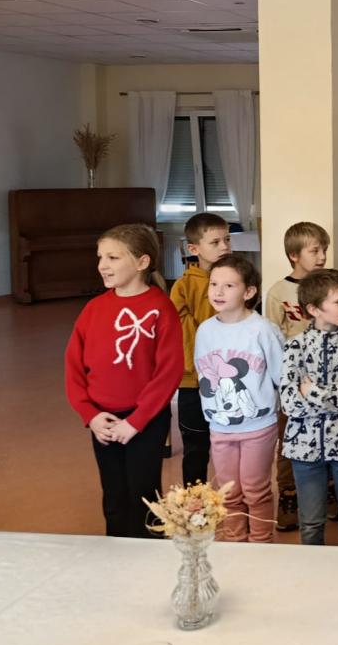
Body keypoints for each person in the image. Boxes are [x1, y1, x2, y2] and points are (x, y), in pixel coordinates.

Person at [65, 224, 183, 538]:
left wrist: (136, 421)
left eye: (113, 257)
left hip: (145, 421)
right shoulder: (94, 309)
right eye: (100, 257)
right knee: (114, 496)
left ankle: (148, 559)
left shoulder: (160, 307)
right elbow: (73, 367)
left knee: (144, 495)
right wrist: (90, 415)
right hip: (103, 420)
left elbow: (169, 372)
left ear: (142, 262)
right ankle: (116, 556)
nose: (102, 265)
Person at [194, 254, 284, 543]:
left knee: (255, 490)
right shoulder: (205, 330)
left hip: (258, 426)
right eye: (214, 284)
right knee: (228, 492)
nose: (218, 291)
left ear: (249, 292)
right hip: (220, 426)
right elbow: (204, 375)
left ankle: (261, 543)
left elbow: (281, 375)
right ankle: (235, 542)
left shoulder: (263, 329)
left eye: (229, 285)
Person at [280, 269, 338, 547]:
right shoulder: (294, 347)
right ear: (314, 309)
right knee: (310, 523)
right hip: (303, 448)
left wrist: (313, 392)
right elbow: (289, 403)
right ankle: (313, 572)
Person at [264, 221, 329, 531]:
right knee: (289, 440)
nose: (322, 256)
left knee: (327, 435)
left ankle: (329, 490)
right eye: (314, 251)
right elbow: (272, 339)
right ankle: (288, 495)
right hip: (292, 384)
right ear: (294, 255)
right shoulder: (278, 292)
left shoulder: (330, 286)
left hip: (326, 381)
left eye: (324, 250)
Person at [169, 212, 231, 486]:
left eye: (227, 240)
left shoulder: (238, 280)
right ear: (194, 249)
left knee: (230, 447)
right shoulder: (183, 287)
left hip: (231, 380)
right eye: (215, 242)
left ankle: (233, 504)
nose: (224, 247)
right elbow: (183, 334)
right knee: (196, 448)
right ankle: (195, 504)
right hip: (193, 381)